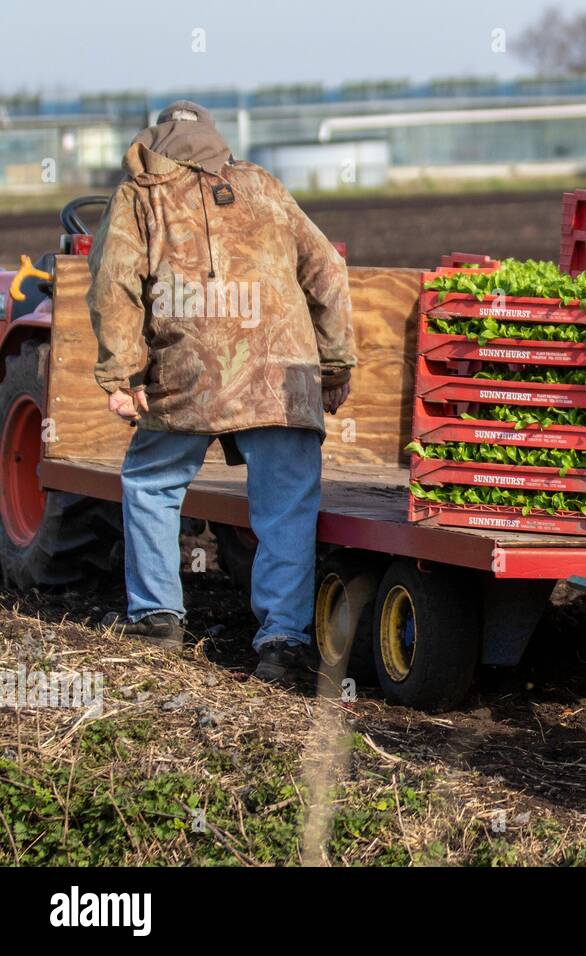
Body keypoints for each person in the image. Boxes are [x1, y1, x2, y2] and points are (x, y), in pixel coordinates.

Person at [87, 100, 356, 686]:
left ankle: (157, 618)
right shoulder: (262, 185)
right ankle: (283, 642)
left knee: (152, 484)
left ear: (155, 139)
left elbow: (115, 287)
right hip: (282, 375)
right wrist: (334, 366)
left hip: (188, 371)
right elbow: (327, 272)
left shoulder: (140, 194)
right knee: (286, 505)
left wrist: (123, 376)